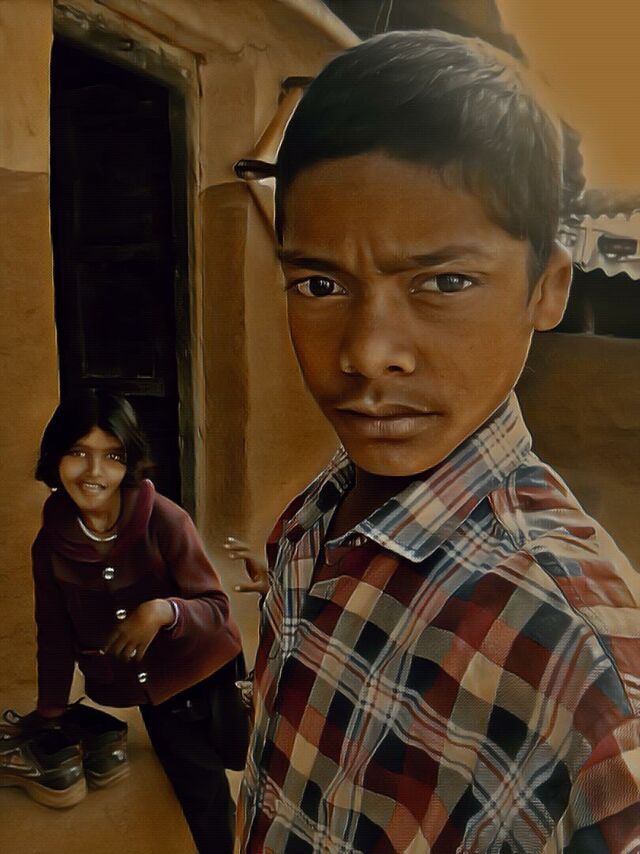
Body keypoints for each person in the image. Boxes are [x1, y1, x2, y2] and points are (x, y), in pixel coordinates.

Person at [230, 30, 640, 853]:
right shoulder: (315, 517)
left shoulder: (585, 672)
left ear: (548, 288)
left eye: (444, 282)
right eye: (319, 283)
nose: (367, 352)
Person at [28, 390, 241, 853]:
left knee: (239, 760)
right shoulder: (50, 545)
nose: (94, 472)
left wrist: (161, 611)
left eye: (113, 456)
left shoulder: (164, 519)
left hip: (202, 668)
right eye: (78, 453)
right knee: (197, 784)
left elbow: (216, 608)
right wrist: (50, 713)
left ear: (129, 462)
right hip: (155, 693)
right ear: (55, 457)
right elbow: (55, 634)